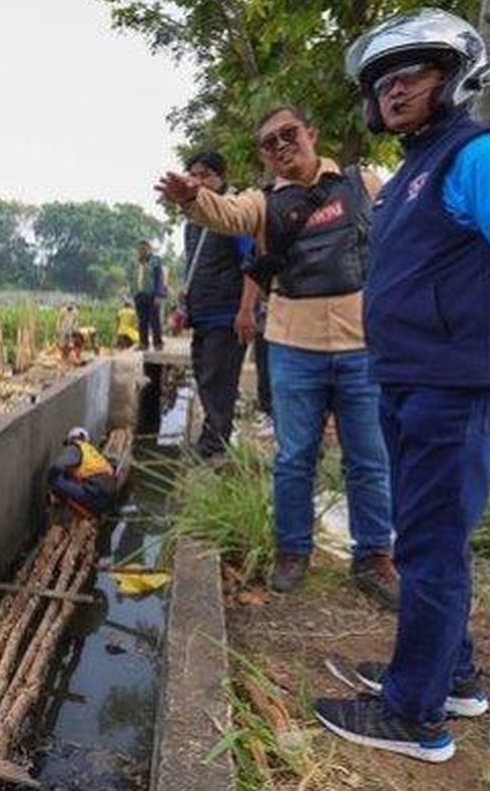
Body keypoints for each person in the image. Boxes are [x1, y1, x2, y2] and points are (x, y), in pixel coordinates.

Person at [310, 8, 490, 763]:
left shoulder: (482, 155)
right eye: (383, 82)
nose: (395, 91)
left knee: (431, 547)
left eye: (413, 74)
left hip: (456, 381)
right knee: (428, 536)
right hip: (413, 378)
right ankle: (448, 675)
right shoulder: (411, 171)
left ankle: (413, 715)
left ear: (455, 77)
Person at [156, 107, 397, 607]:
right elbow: (226, 215)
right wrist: (194, 199)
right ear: (263, 157)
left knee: (369, 460)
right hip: (294, 346)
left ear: (311, 134)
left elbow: (403, 235)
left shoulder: (364, 183)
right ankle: (292, 551)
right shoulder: (262, 203)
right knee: (293, 458)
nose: (282, 146)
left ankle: (374, 556)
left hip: (361, 348)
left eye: (289, 135)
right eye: (270, 143)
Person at [179, 151, 257, 458]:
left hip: (226, 314)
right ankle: (216, 435)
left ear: (219, 178)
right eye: (192, 175)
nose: (197, 181)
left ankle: (214, 445)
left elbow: (253, 262)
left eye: (204, 175)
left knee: (218, 378)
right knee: (205, 376)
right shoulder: (194, 221)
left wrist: (246, 310)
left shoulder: (233, 213)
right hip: (203, 314)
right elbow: (195, 267)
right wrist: (184, 305)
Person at [47, 426, 117, 519]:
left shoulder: (75, 447)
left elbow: (58, 465)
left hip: (95, 492)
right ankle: (91, 515)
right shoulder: (92, 452)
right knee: (72, 480)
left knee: (54, 479)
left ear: (71, 439)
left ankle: (61, 509)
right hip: (109, 495)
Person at [129, 240, 165, 350]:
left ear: (148, 249)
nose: (141, 251)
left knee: (154, 321)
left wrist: (159, 294)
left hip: (152, 295)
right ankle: (143, 343)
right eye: (139, 249)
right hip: (139, 295)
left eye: (144, 248)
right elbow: (132, 279)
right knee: (142, 321)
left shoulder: (155, 261)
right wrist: (133, 293)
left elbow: (160, 278)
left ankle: (158, 343)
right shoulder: (136, 263)